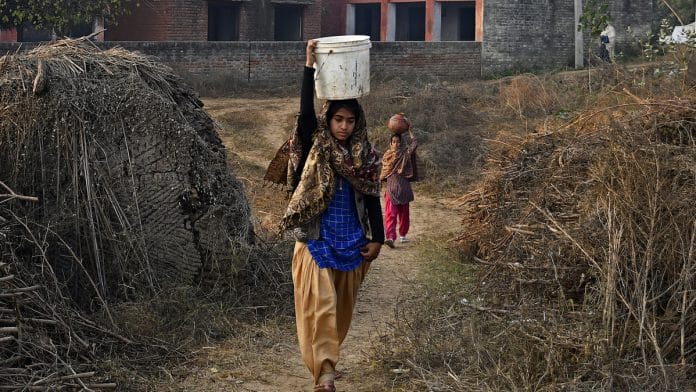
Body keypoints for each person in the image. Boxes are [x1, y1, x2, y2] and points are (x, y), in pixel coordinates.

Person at [266, 39, 385, 392]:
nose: (344, 126)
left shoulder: (366, 157)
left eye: (350, 120)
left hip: (352, 242)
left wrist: (377, 238)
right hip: (316, 241)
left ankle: (328, 361)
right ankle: (325, 374)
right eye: (338, 119)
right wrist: (309, 65)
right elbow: (304, 114)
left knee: (339, 315)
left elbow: (372, 196)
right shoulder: (315, 147)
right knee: (318, 310)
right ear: (328, 120)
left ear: (357, 122)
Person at [380, 127, 417, 248]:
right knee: (390, 214)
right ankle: (390, 237)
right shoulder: (386, 156)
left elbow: (415, 144)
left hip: (404, 188)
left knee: (404, 214)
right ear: (390, 143)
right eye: (394, 141)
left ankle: (403, 235)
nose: (396, 143)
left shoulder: (404, 154)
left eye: (398, 141)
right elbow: (383, 172)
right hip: (391, 189)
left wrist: (409, 130)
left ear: (400, 143)